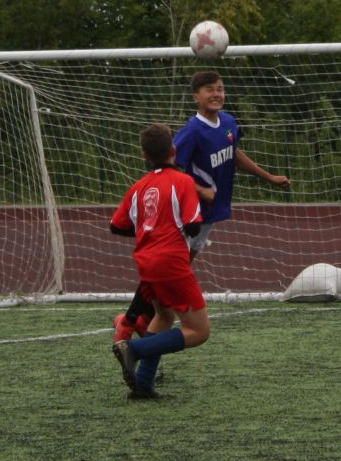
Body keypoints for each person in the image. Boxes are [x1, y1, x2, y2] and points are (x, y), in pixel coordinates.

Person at [113, 68, 291, 343]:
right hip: (187, 216)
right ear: (196, 97)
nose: (216, 94)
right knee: (168, 272)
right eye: (209, 89)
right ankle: (131, 322)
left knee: (171, 273)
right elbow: (168, 169)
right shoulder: (191, 132)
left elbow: (234, 154)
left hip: (208, 216)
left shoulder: (229, 122)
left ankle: (142, 324)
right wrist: (199, 189)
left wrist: (268, 177)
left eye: (220, 88)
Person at [109, 122, 210, 399]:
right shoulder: (183, 181)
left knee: (163, 316)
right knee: (199, 332)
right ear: (174, 150)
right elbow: (192, 225)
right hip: (171, 262)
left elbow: (116, 226)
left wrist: (148, 228)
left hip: (146, 261)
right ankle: (133, 349)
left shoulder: (139, 187)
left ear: (145, 156)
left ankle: (143, 385)